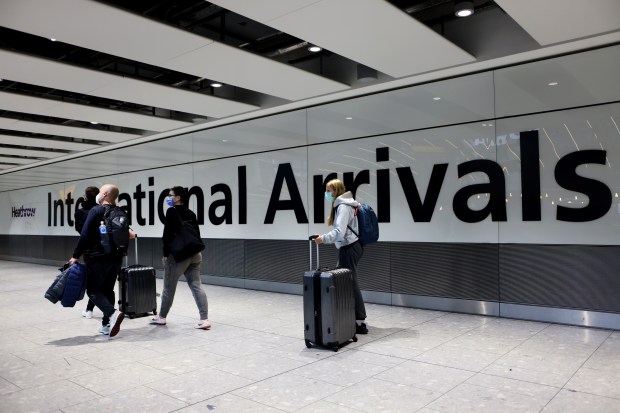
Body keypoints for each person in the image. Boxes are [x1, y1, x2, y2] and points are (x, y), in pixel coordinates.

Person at [150, 186, 211, 330]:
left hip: (178, 256)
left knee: (168, 288)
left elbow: (167, 236)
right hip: (195, 254)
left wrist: (165, 254)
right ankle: (205, 319)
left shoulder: (171, 211)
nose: (168, 197)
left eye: (170, 195)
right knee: (196, 286)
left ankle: (162, 317)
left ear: (178, 198)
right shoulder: (191, 213)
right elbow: (196, 233)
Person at [68, 184, 125, 338]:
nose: (98, 194)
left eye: (100, 192)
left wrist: (75, 255)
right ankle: (106, 325)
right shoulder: (120, 211)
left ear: (105, 194)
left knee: (92, 290)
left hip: (98, 257)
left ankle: (113, 314)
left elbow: (85, 234)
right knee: (108, 290)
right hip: (116, 258)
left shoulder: (96, 210)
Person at [313, 178, 368, 334]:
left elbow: (339, 232)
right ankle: (353, 318)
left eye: (329, 191)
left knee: (350, 283)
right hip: (351, 247)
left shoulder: (343, 206)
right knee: (346, 281)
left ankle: (359, 321)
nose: (326, 194)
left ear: (336, 191)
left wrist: (323, 239)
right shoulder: (345, 205)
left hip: (349, 247)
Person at [74, 186, 99, 319]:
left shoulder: (80, 212)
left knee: (92, 279)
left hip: (88, 250)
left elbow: (80, 230)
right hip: (104, 249)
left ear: (85, 197)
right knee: (104, 280)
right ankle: (99, 308)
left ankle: (90, 309)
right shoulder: (102, 210)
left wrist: (75, 255)